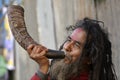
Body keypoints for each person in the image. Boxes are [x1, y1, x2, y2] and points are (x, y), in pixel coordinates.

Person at [27, 18, 117, 80]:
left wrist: (43, 69)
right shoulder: (65, 74)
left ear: (89, 58)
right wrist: (43, 66)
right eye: (69, 40)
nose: (66, 47)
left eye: (77, 45)